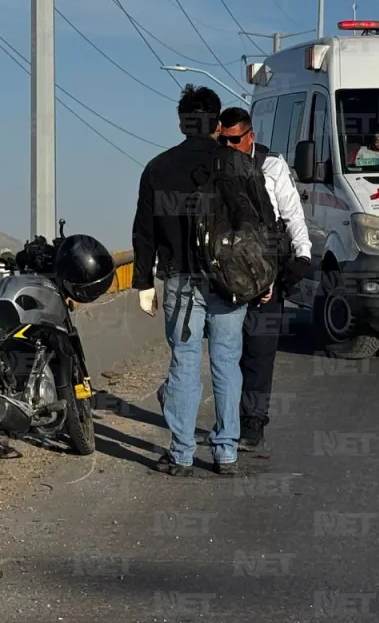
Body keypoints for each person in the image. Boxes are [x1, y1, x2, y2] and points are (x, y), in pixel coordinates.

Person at [132, 85, 272, 477]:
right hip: (230, 281)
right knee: (228, 363)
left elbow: (144, 232)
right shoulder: (239, 164)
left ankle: (181, 454)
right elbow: (264, 223)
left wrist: (142, 282)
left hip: (180, 279)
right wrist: (266, 276)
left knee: (184, 362)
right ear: (216, 124)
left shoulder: (158, 168)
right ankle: (226, 452)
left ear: (181, 123)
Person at [217, 107, 313, 452]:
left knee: (259, 352)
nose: (228, 146)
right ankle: (217, 414)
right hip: (222, 273)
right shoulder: (214, 166)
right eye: (222, 139)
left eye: (234, 140)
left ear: (250, 137)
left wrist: (302, 253)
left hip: (265, 273)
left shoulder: (271, 166)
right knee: (225, 353)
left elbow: (291, 213)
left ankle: (253, 422)